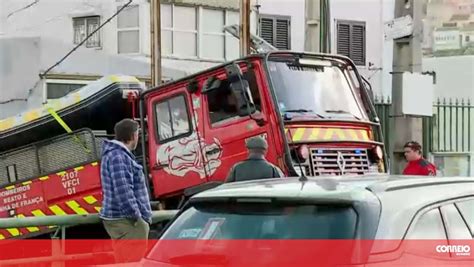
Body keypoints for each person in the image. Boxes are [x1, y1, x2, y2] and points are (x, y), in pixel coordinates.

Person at [100, 118, 152, 263]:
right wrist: (138, 218)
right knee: (133, 262)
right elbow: (123, 191)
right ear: (132, 136)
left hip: (121, 218)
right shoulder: (118, 156)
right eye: (137, 134)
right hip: (126, 220)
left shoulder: (114, 154)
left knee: (125, 261)